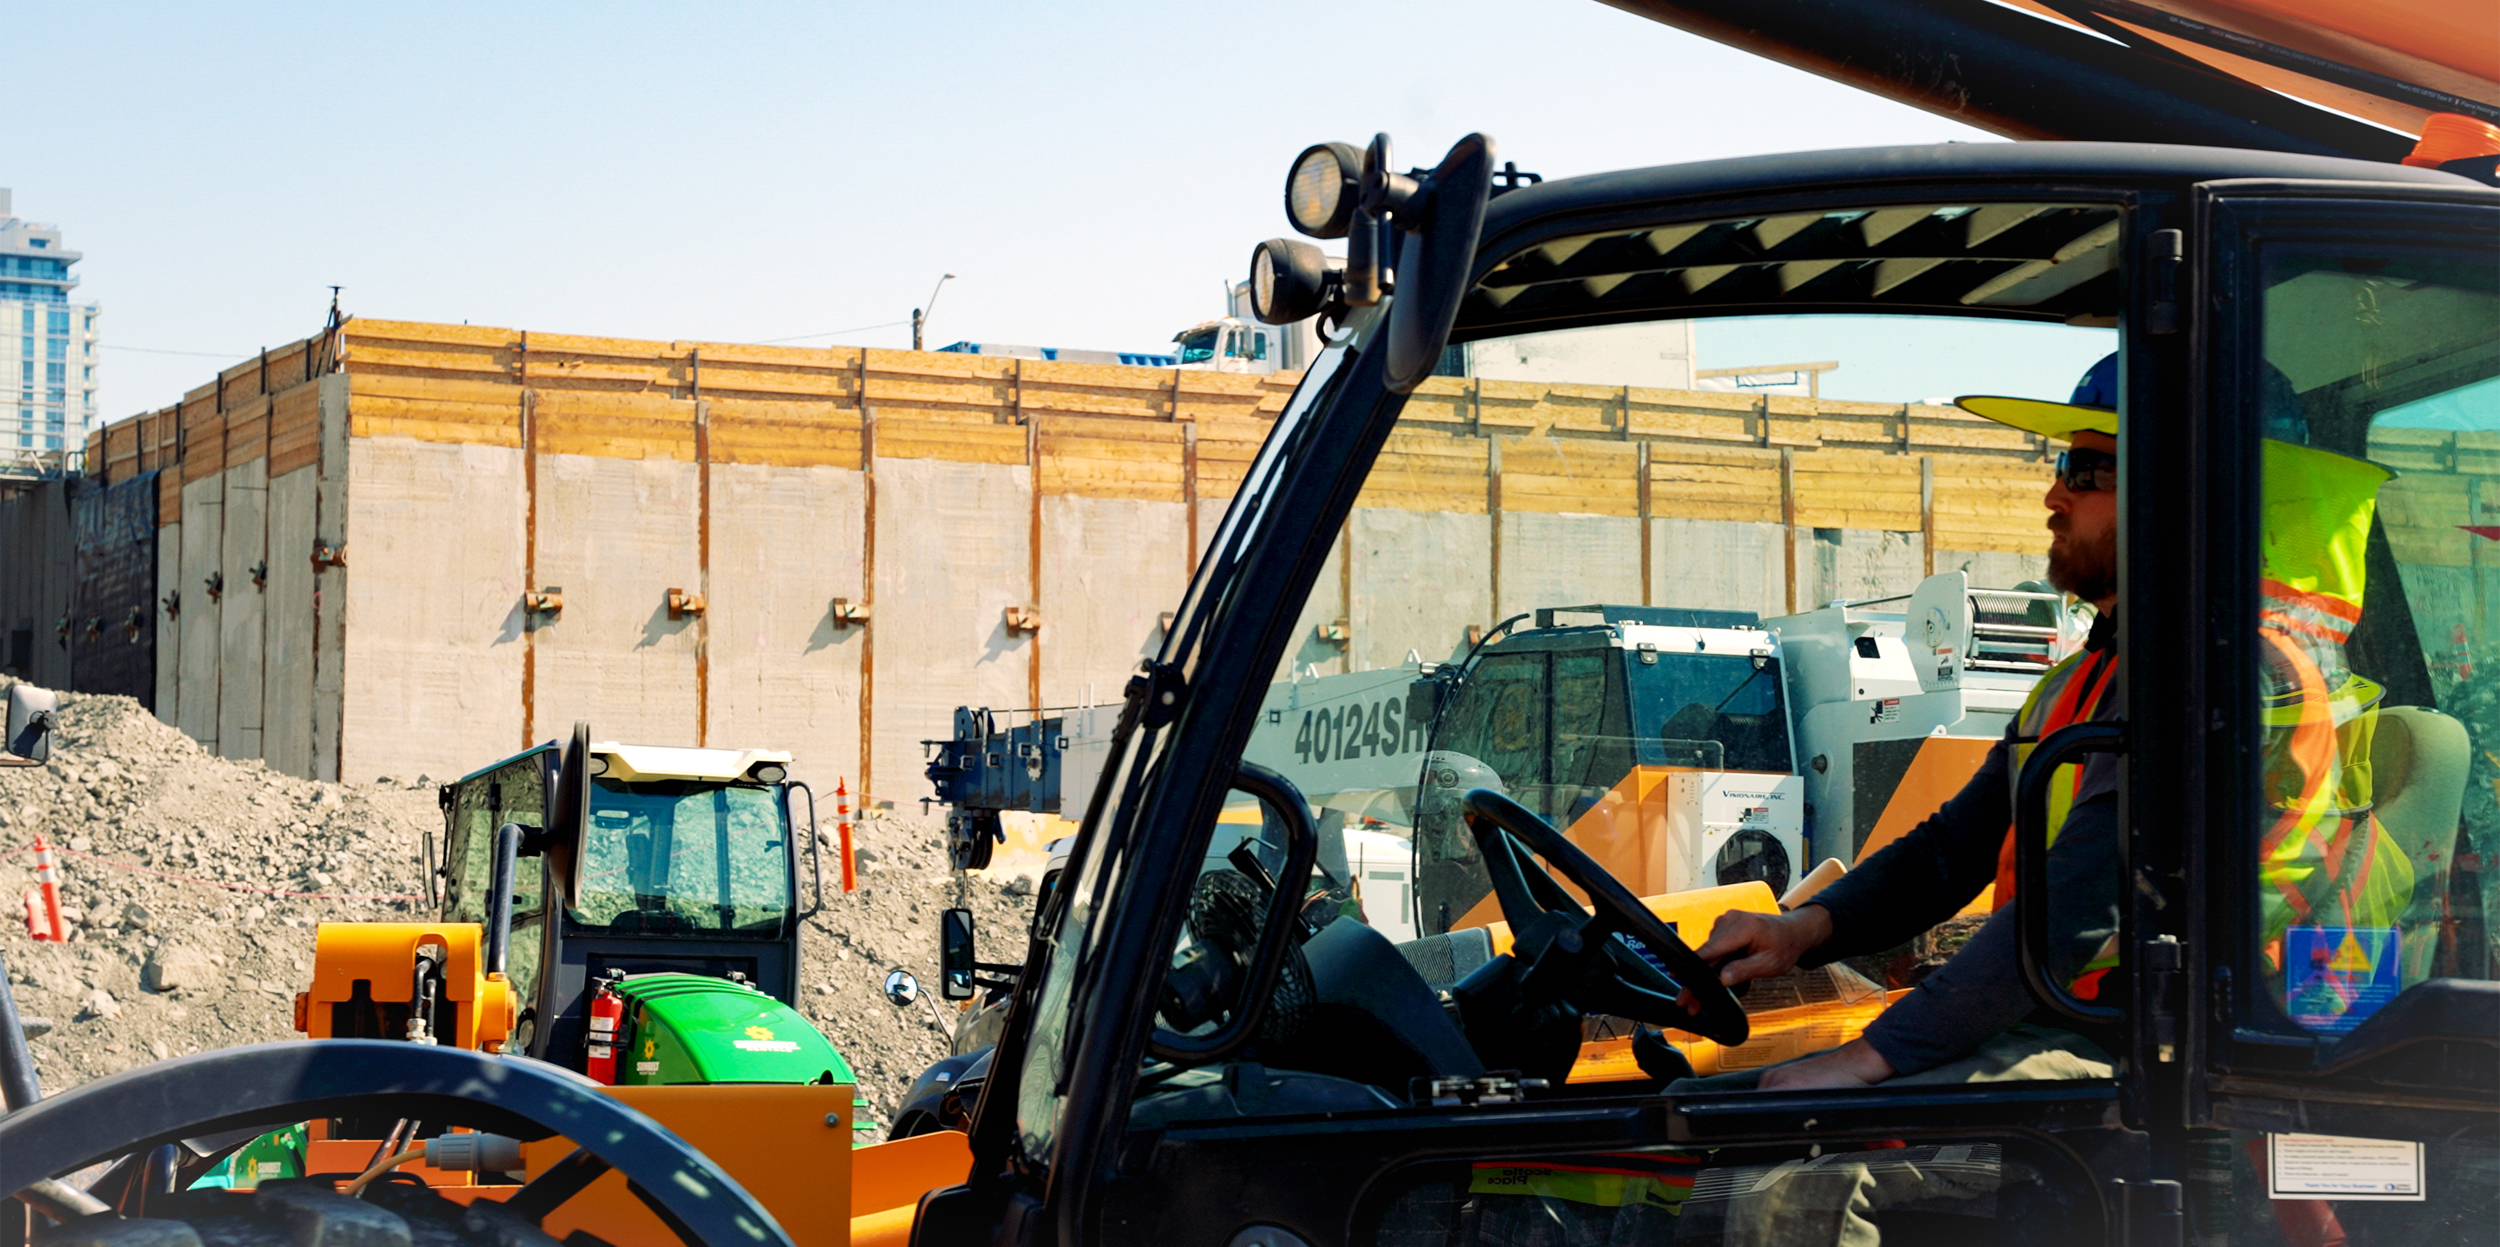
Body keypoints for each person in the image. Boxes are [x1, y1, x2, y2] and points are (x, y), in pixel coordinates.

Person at [1673, 355, 2134, 1092]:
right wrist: (1802, 930)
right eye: (2060, 466)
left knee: (1796, 1146)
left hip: (2148, 1051)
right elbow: (1952, 851)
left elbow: (2080, 897)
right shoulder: (2078, 684)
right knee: (1692, 1101)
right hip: (2060, 1017)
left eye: (2085, 472)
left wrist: (1870, 1056)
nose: (2053, 494)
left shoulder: (2218, 685)